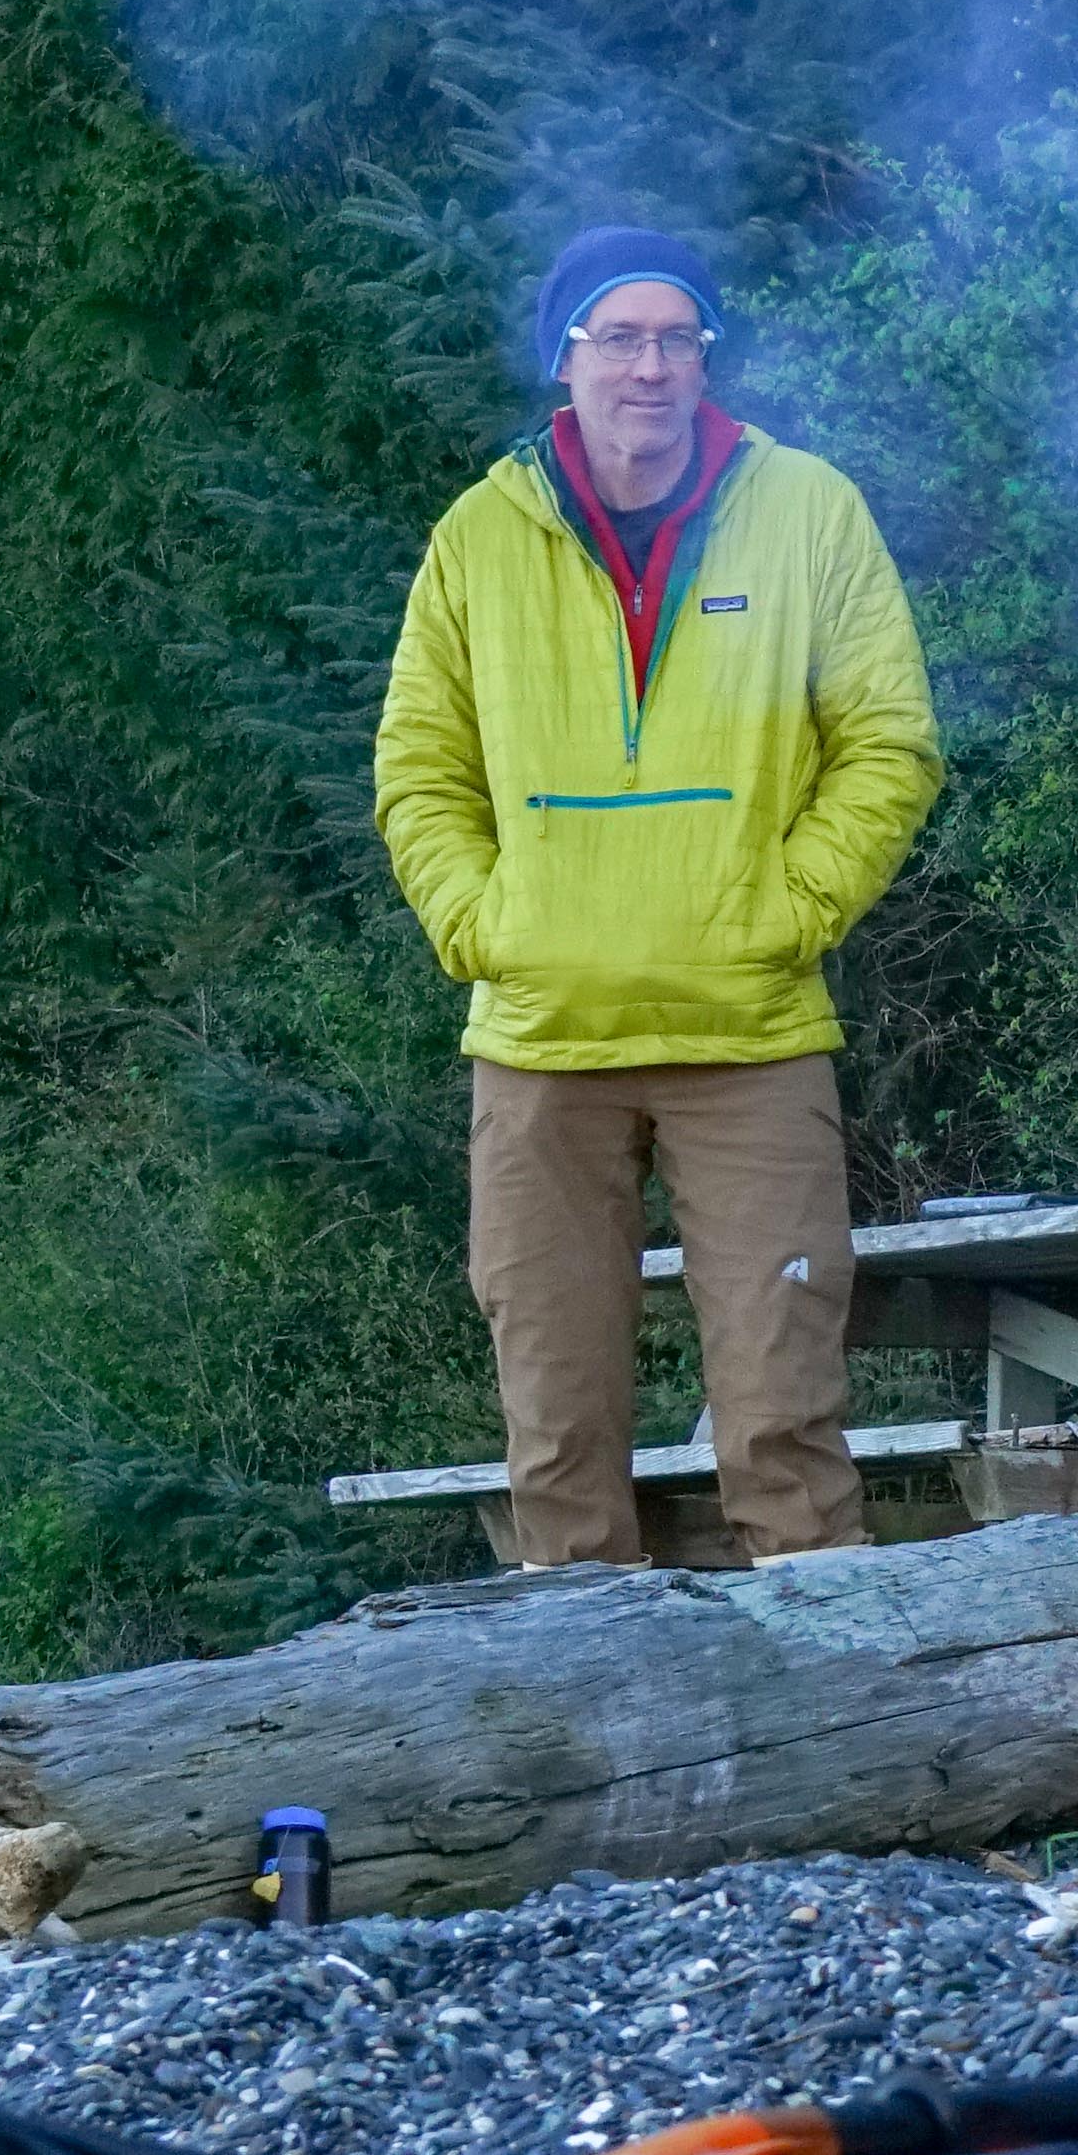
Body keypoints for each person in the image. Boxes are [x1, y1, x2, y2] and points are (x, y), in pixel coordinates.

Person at [371, 226, 950, 1565]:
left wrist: (789, 908)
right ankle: (595, 1743)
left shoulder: (809, 508)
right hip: (539, 1039)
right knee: (558, 1440)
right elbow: (417, 765)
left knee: (784, 1428)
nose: (649, 368)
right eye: (616, 339)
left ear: (707, 359)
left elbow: (890, 740)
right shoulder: (481, 532)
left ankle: (824, 1734)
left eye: (676, 338)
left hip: (748, 1030)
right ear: (561, 361)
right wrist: (484, 928)